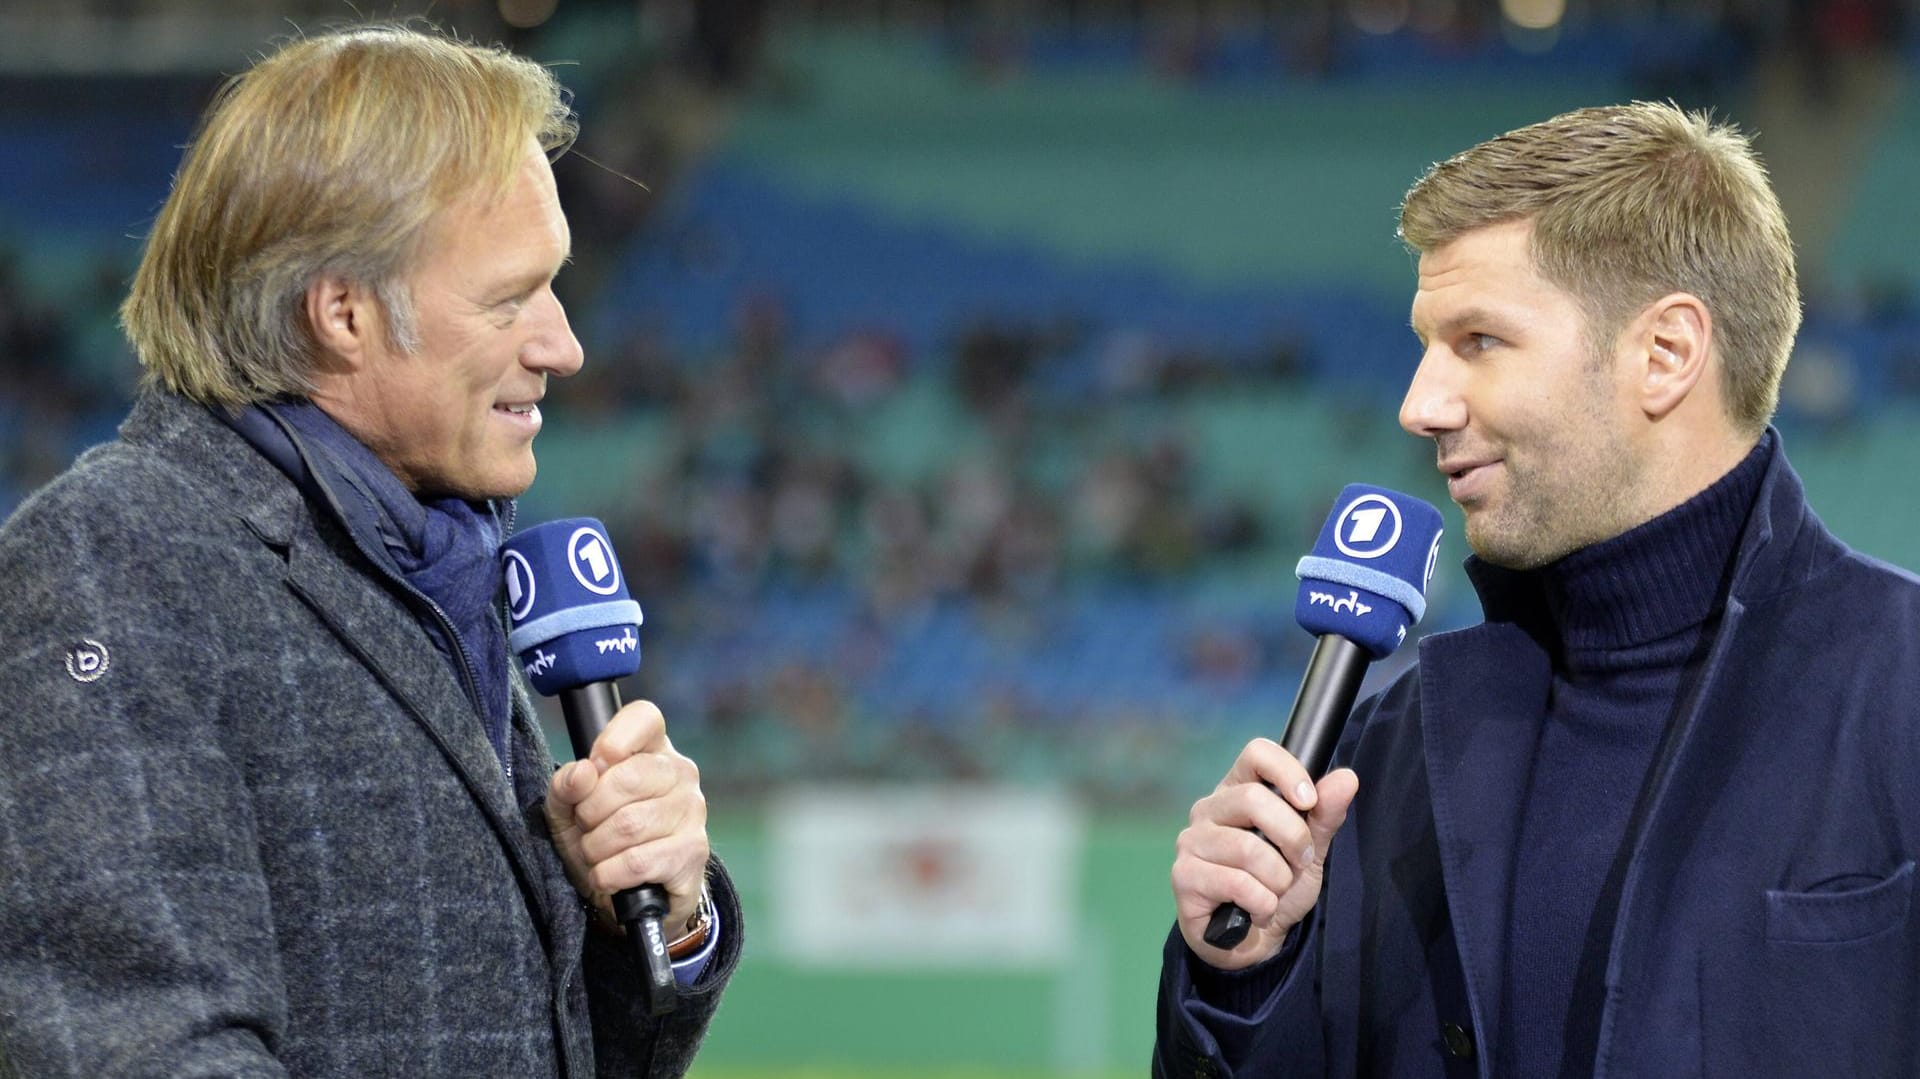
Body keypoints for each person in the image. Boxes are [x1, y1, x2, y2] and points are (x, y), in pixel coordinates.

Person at [0, 25, 739, 1078]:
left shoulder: (420, 564)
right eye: (510, 297)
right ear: (343, 312)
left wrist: (640, 915)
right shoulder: (115, 560)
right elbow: (132, 1049)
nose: (564, 345)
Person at [1156, 101, 1920, 1077]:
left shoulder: (1899, 686)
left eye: (1478, 340)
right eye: (1428, 342)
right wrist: (1242, 980)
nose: (1420, 404)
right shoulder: (1384, 750)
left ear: (1666, 353)